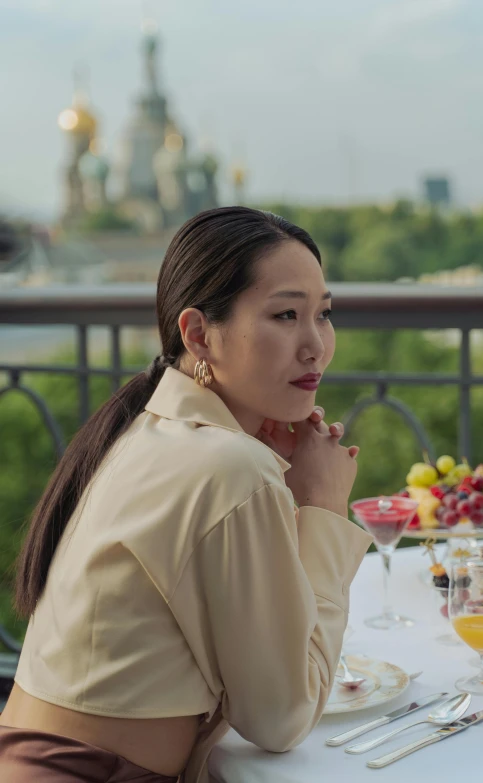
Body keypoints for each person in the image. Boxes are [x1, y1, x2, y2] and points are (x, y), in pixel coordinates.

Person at [0, 207, 371, 782]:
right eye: (285, 314)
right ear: (198, 333)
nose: (315, 345)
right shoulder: (228, 465)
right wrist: (321, 510)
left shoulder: (147, 430)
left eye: (323, 315)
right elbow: (281, 720)